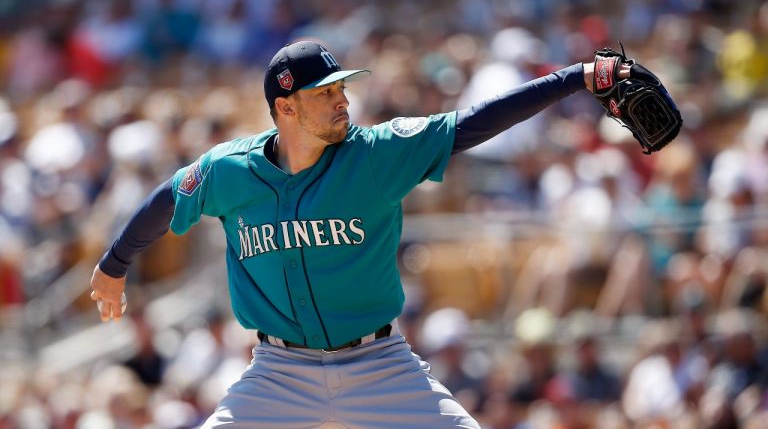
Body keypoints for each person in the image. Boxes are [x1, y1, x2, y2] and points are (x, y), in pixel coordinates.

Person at [90, 40, 628, 428]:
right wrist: (114, 266)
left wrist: (578, 77)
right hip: (279, 372)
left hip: (381, 365)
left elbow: (472, 124)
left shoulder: (374, 153)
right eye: (324, 93)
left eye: (341, 87)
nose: (342, 100)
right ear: (285, 107)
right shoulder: (229, 170)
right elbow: (167, 199)